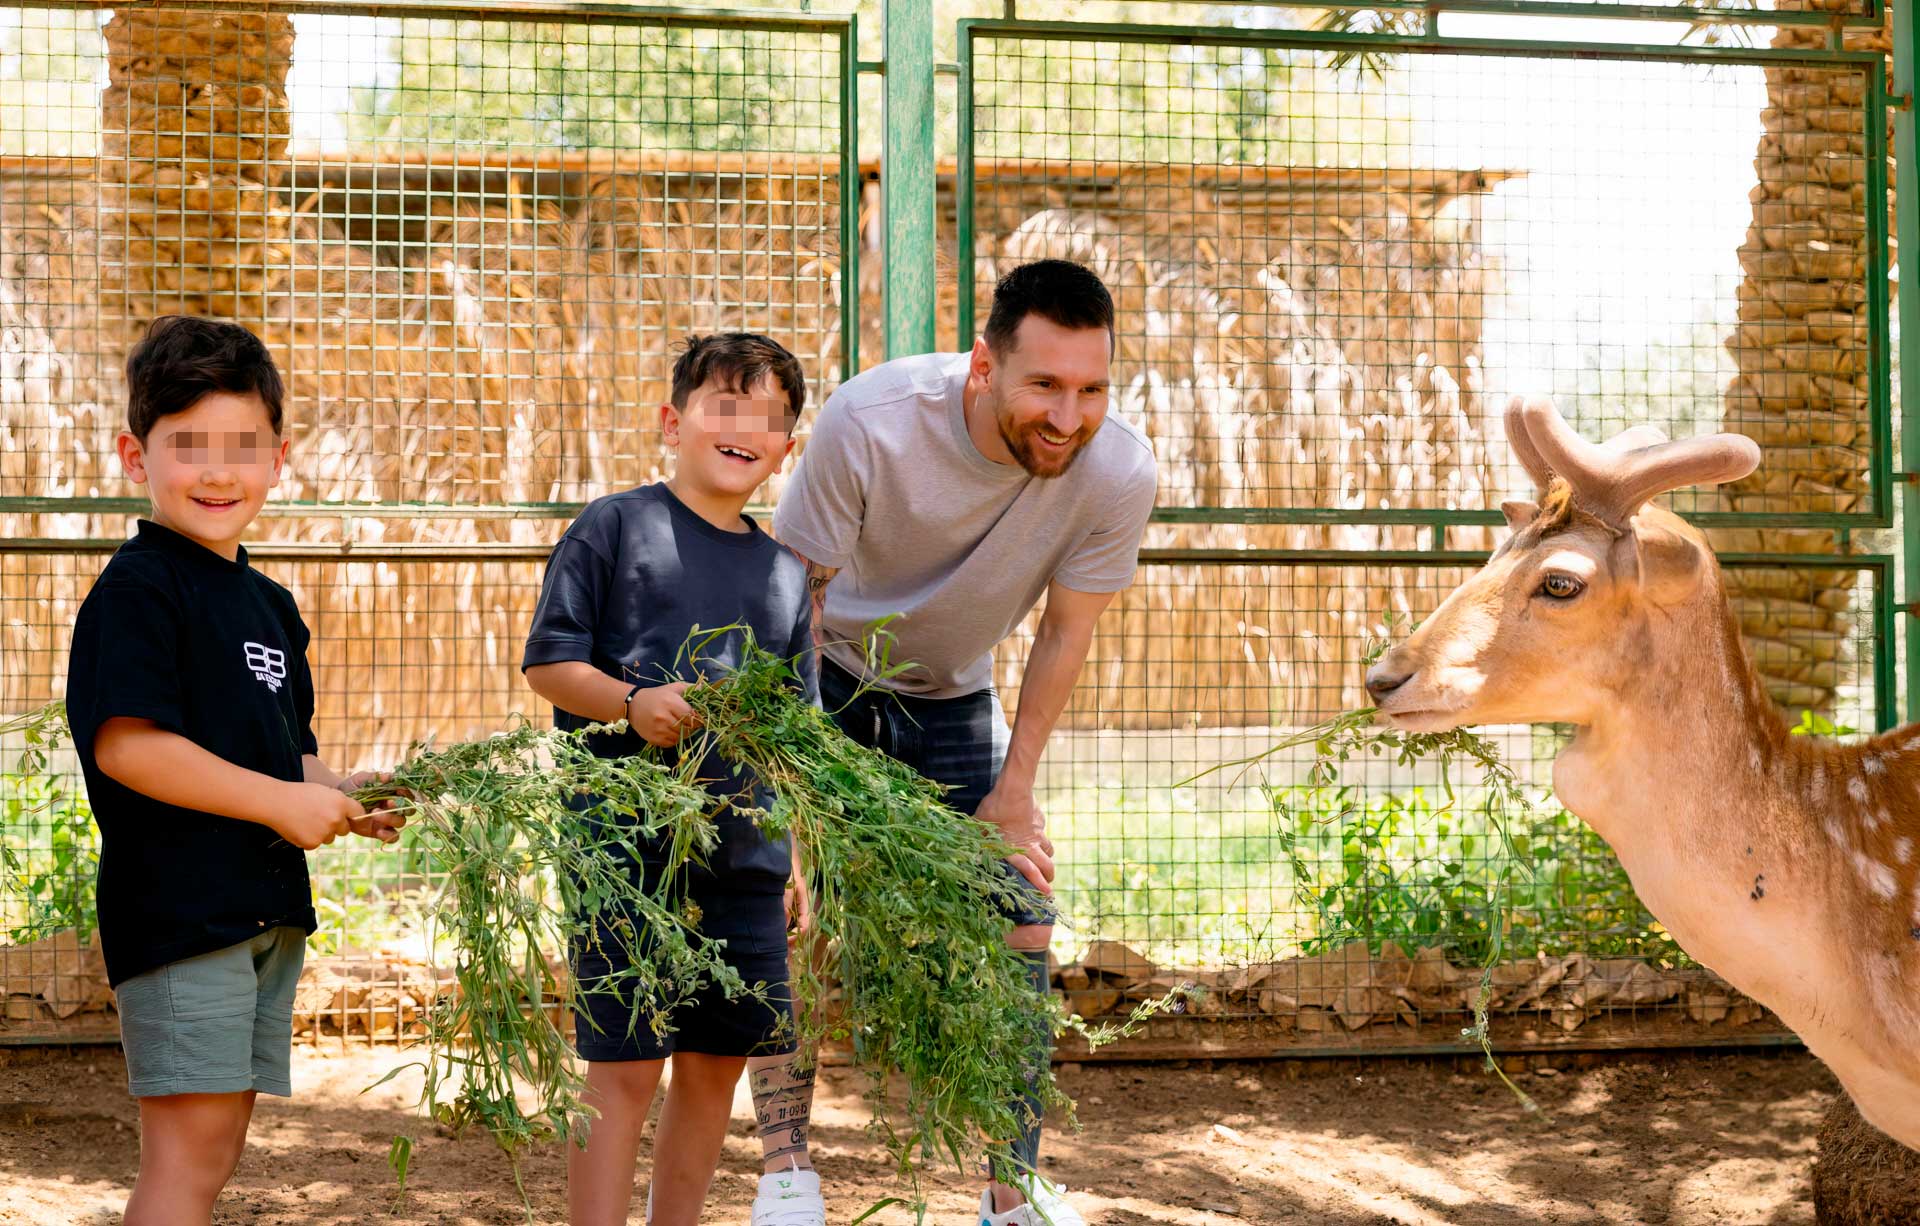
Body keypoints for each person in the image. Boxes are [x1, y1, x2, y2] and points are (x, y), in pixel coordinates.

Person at [770, 258, 1157, 1226]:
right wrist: (790, 790)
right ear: (985, 364)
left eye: (1093, 389)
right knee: (789, 919)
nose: (1068, 416)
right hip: (828, 680)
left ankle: (1010, 1189)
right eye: (1045, 385)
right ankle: (786, 1177)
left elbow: (1067, 631)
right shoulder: (871, 422)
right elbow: (789, 609)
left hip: (952, 696)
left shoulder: (1117, 473)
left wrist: (1015, 791)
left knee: (1022, 904)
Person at [64, 316, 405, 1226]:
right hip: (181, 912)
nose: (218, 472)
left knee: (215, 1154)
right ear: (137, 458)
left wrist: (341, 796)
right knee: (185, 1158)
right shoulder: (139, 589)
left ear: (280, 457)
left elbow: (284, 751)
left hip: (260, 911)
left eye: (242, 447)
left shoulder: (269, 605)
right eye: (189, 447)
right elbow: (127, 746)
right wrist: (279, 804)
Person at [521, 333, 824, 1226]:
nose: (742, 430)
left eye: (766, 419)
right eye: (722, 407)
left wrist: (793, 857)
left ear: (786, 449)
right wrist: (629, 704)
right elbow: (548, 664)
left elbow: (791, 743)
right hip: (625, 851)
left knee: (714, 1068)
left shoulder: (782, 574)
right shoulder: (615, 526)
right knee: (620, 1070)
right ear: (672, 420)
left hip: (745, 860)